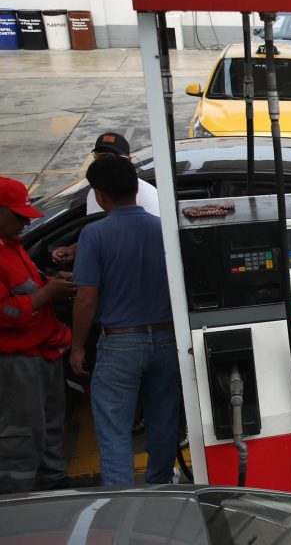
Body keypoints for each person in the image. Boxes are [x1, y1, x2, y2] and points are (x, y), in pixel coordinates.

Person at [70, 155, 179, 486]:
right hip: (167, 340)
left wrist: (77, 347)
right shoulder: (165, 229)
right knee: (164, 422)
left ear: (100, 196)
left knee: (114, 425)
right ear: (136, 188)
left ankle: (121, 500)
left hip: (119, 344)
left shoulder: (94, 234)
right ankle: (160, 485)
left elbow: (87, 298)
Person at [0, 177, 76, 494]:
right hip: (17, 361)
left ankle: (53, 483)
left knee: (49, 425)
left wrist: (50, 280)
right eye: (18, 215)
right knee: (21, 433)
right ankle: (16, 498)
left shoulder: (11, 246)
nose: (24, 222)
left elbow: (28, 284)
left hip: (44, 351)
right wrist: (48, 294)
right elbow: (8, 313)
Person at [51, 132, 159, 266]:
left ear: (129, 161)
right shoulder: (93, 193)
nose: (107, 163)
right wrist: (75, 249)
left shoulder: (149, 198)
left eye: (113, 157)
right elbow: (99, 235)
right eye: (100, 157)